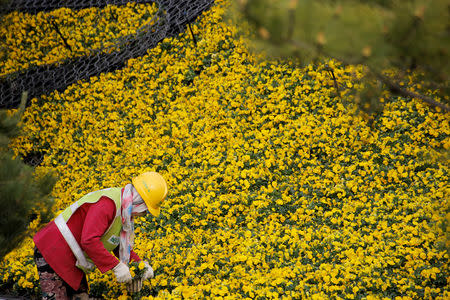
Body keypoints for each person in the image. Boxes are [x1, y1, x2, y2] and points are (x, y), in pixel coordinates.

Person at [33, 171, 168, 300]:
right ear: (138, 203)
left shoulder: (124, 211)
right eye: (145, 211)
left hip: (71, 257)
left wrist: (139, 266)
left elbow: (119, 245)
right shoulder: (108, 204)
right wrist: (116, 266)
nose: (144, 215)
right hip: (53, 250)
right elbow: (89, 240)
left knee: (82, 297)